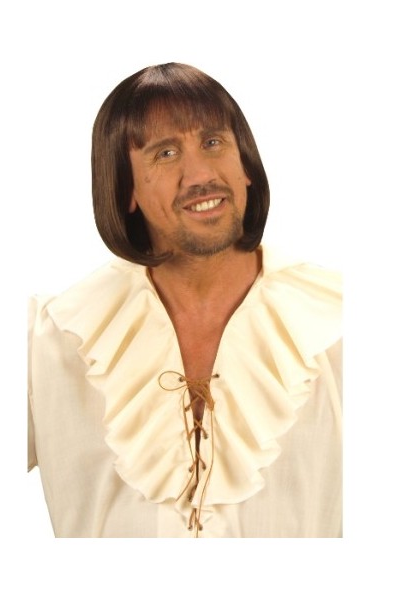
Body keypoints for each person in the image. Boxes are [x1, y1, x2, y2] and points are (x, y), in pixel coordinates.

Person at [28, 62, 342, 538]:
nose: (200, 174)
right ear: (127, 189)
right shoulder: (52, 338)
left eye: (213, 142)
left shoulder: (341, 324)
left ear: (246, 167)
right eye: (166, 152)